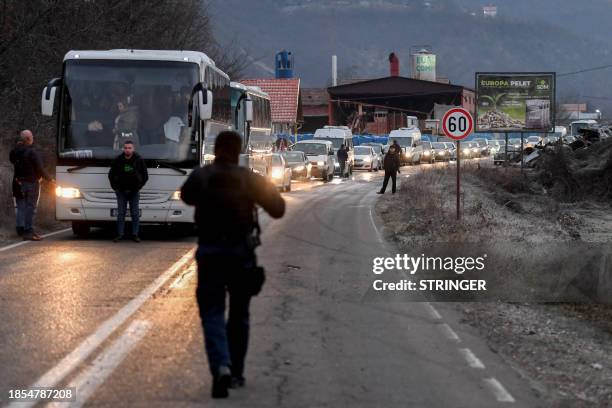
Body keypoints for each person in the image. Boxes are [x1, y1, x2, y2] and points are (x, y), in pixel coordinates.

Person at [181, 131, 285, 399]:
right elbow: (278, 209)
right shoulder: (249, 179)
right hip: (241, 254)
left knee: (213, 312)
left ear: (215, 150)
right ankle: (236, 372)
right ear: (239, 151)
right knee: (239, 314)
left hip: (210, 252)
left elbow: (187, 196)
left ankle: (220, 366)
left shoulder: (202, 176)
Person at [9, 130, 54, 241]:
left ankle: (20, 229)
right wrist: (50, 179)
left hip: (17, 183)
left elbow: (12, 159)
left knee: (20, 206)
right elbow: (39, 169)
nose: (33, 138)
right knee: (30, 208)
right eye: (32, 136)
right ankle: (28, 231)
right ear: (29, 139)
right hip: (31, 183)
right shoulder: (32, 152)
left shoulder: (15, 151)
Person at [108, 140, 148, 242]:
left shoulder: (139, 160)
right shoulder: (118, 160)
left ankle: (135, 235)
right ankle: (120, 234)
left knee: (135, 213)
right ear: (123, 148)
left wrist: (138, 187)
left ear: (133, 149)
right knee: (121, 213)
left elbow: (145, 176)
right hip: (121, 191)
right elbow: (111, 175)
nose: (127, 150)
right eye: (125, 148)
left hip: (134, 192)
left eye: (129, 148)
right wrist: (115, 188)